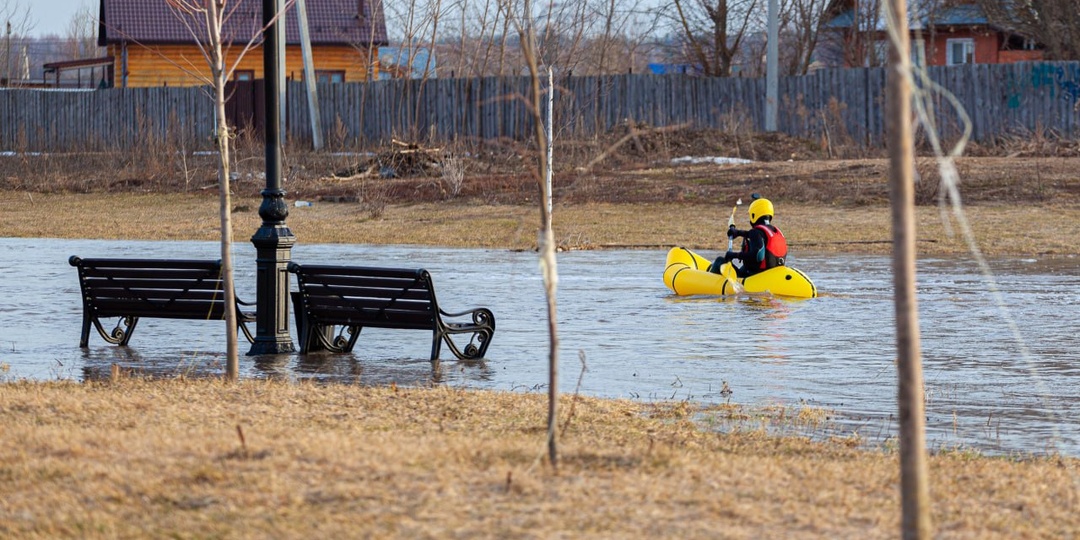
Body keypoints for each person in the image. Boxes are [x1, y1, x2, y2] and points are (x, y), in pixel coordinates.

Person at [709, 197, 788, 278]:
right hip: (771, 276)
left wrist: (733, 255)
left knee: (720, 261)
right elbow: (756, 236)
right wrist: (738, 232)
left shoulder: (756, 232)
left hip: (754, 277)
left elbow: (758, 256)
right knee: (743, 267)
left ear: (754, 215)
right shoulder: (777, 232)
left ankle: (708, 281)